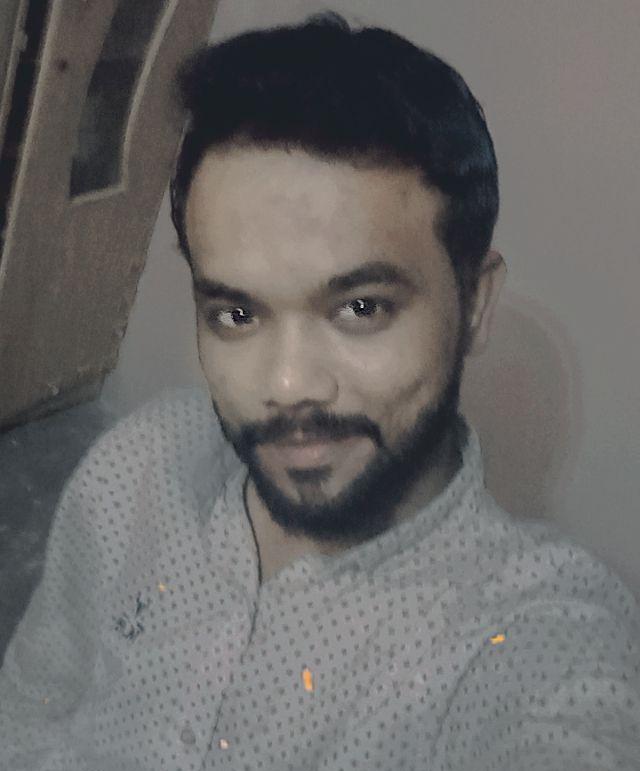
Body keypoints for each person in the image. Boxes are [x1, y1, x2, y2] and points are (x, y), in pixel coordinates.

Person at [1, 12, 639, 771]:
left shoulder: (536, 637)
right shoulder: (141, 462)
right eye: (237, 314)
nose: (286, 385)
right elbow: (34, 700)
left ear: (475, 303)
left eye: (361, 307)